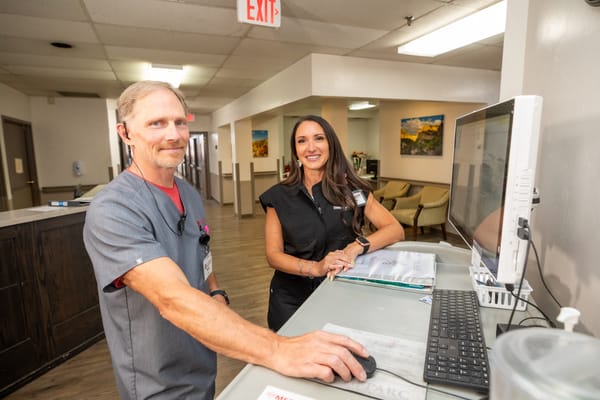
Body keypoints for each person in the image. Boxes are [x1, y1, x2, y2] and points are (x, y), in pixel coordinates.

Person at [83, 82, 371, 400]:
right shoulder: (113, 208)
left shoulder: (189, 195)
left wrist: (215, 292)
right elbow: (171, 298)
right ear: (125, 134)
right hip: (158, 376)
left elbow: (201, 252)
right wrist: (278, 348)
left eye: (180, 121)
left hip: (206, 355)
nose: (174, 134)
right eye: (156, 123)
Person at [259, 115, 405, 331]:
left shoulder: (353, 192)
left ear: (330, 143)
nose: (311, 148)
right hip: (291, 299)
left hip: (341, 292)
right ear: (295, 149)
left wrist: (355, 248)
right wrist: (316, 268)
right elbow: (273, 255)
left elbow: (395, 229)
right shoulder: (278, 197)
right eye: (302, 141)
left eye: (318, 138)